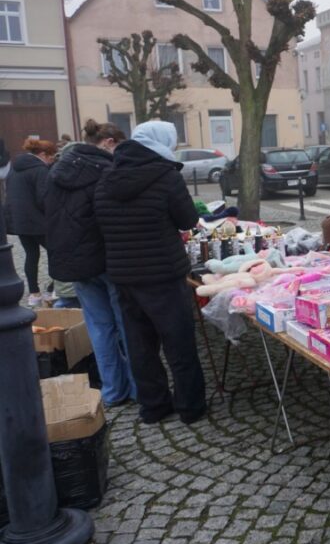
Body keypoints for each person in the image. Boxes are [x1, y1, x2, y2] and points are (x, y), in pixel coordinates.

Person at [94, 120, 205, 424]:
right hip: (164, 274)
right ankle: (190, 407)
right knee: (179, 342)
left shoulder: (106, 177)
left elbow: (99, 222)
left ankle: (154, 407)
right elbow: (187, 220)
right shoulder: (167, 177)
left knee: (140, 345)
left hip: (124, 275)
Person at [45, 120, 136, 406]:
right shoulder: (107, 170)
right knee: (126, 326)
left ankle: (112, 390)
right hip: (107, 259)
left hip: (75, 263)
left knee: (99, 329)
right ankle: (138, 389)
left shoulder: (57, 172)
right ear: (109, 142)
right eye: (119, 146)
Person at [6, 138, 56, 305]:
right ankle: (53, 289)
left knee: (31, 255)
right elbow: (44, 198)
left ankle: (34, 294)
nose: (51, 161)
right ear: (42, 155)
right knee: (56, 252)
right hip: (40, 222)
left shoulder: (14, 169)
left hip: (20, 222)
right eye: (51, 157)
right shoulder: (40, 170)